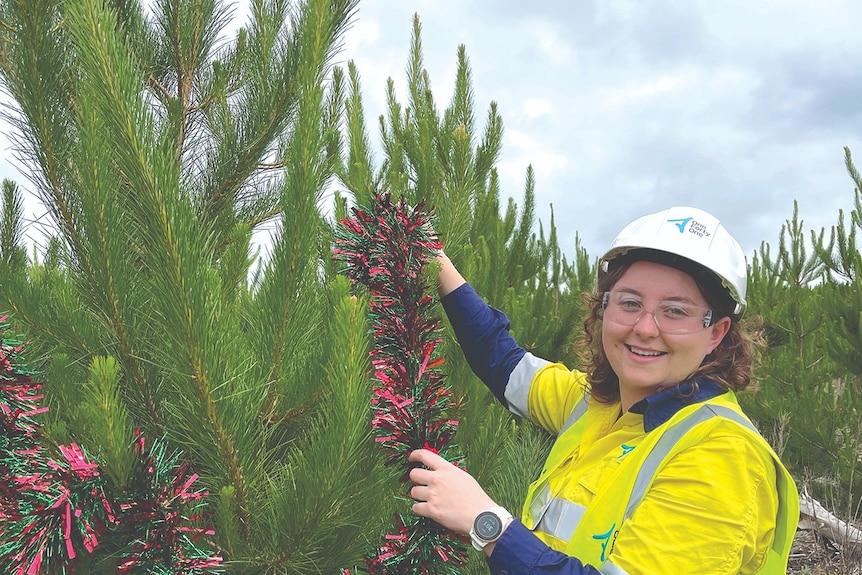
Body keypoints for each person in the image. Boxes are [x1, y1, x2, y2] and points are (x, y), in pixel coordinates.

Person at [407, 206, 799, 574]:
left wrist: (487, 523)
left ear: (716, 333)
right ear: (604, 308)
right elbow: (502, 360)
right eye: (630, 303)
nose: (645, 328)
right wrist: (435, 258)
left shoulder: (723, 457)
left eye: (675, 311)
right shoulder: (595, 403)